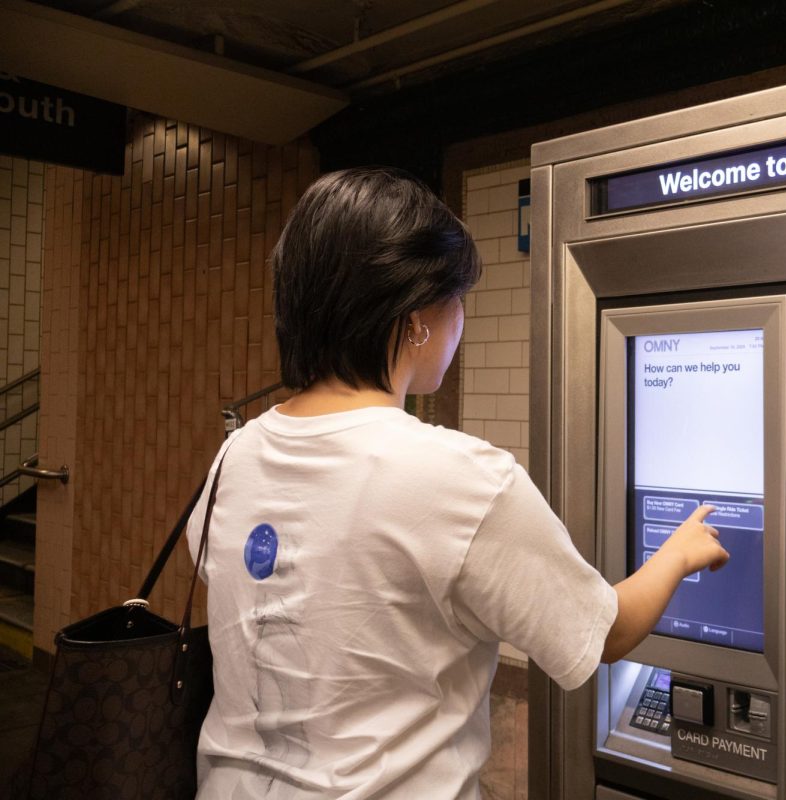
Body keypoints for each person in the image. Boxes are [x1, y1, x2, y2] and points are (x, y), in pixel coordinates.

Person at [185, 167, 729, 800]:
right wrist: (679, 552)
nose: (461, 321)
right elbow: (603, 634)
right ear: (417, 317)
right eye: (458, 300)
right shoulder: (457, 477)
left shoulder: (235, 455)